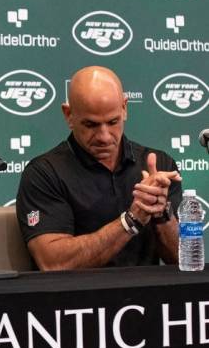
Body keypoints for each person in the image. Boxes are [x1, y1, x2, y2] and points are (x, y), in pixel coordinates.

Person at [16, 66, 180, 270]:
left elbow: (181, 259)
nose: (104, 136)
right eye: (91, 125)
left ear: (124, 108)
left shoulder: (158, 165)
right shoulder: (44, 173)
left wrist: (161, 211)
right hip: (79, 300)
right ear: (68, 114)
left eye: (113, 122)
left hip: (149, 299)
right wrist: (131, 220)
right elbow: (53, 263)